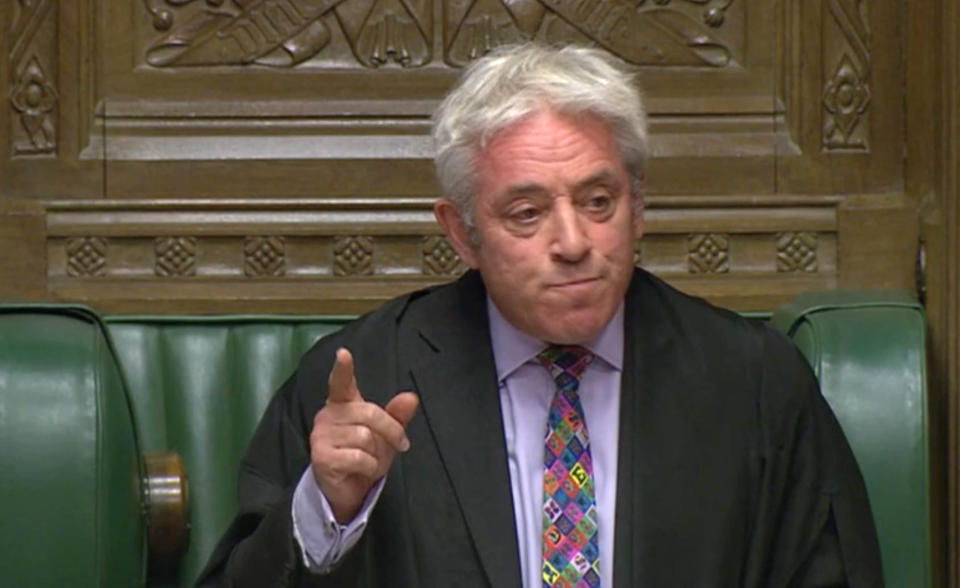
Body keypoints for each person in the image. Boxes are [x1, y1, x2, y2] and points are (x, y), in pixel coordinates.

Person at [199, 43, 883, 587]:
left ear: (638, 207)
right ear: (462, 233)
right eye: (527, 214)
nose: (574, 242)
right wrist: (328, 513)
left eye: (598, 201)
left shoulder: (755, 383)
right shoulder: (365, 380)